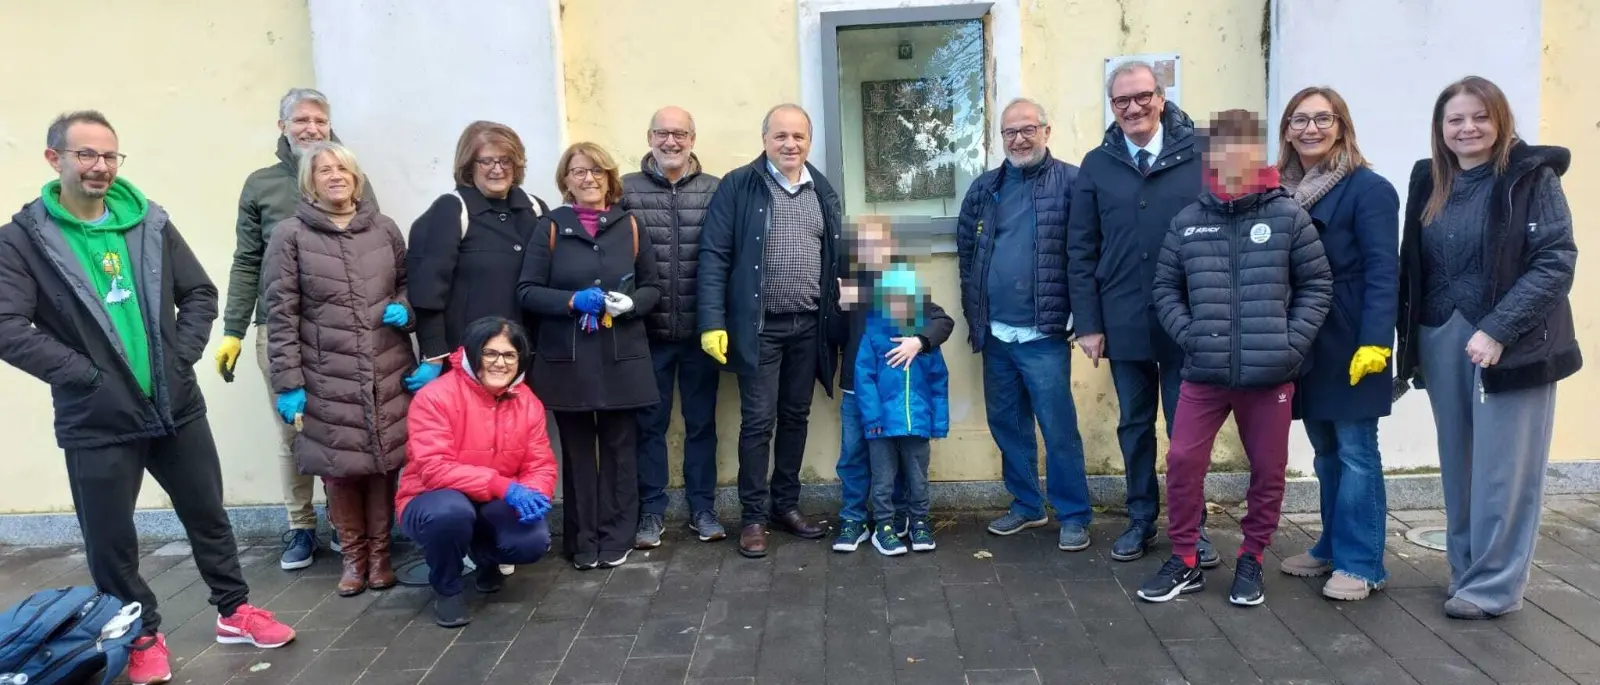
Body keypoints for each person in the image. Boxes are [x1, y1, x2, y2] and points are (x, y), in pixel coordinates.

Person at [0, 111, 295, 685]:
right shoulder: (21, 241)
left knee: (208, 515)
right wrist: (86, 377)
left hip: (174, 406)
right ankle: (139, 631)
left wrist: (178, 356)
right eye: (85, 155)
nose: (100, 166)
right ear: (53, 159)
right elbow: (7, 326)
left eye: (110, 155)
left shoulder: (149, 222)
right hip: (96, 417)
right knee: (110, 538)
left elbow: (200, 293)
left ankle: (234, 612)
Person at [1394, 76, 1580, 620]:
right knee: (1460, 464)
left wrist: (1498, 329)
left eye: (1480, 117)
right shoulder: (1430, 179)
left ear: (1500, 121)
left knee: (1506, 468)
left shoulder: (1531, 177)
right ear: (1440, 128)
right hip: (1440, 335)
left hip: (1513, 341)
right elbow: (1414, 265)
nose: (1467, 128)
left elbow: (1555, 261)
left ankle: (1495, 586)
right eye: (1455, 119)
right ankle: (1465, 571)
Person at [1136, 109, 1331, 608]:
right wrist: (1192, 336)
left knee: (1268, 468)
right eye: (1220, 149)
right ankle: (1184, 559)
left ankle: (1251, 556)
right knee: (1181, 463)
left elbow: (1316, 285)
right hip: (1204, 371)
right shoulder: (1189, 220)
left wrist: (1290, 345)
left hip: (1270, 374)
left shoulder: (1288, 216)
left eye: (1240, 147)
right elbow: (1165, 287)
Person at [215, 88, 378, 571]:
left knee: (347, 426)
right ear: (282, 126)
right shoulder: (262, 185)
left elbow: (372, 245)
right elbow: (247, 260)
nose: (311, 128)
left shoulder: (350, 176)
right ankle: (302, 526)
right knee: (294, 431)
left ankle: (355, 528)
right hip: (280, 327)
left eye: (319, 120)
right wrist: (234, 329)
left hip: (340, 329)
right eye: (301, 120)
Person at [1067, 61, 1219, 566]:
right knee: (1134, 426)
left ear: (1161, 97)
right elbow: (1081, 248)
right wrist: (1087, 324)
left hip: (1189, 321)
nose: (1132, 108)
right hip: (1123, 319)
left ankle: (1190, 528)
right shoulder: (1097, 163)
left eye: (1142, 97)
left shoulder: (1202, 153)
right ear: (1112, 107)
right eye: (1121, 101)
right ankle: (1140, 520)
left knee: (1186, 432)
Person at [265, 141, 415, 599]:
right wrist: (288, 382)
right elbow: (281, 313)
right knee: (340, 469)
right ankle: (353, 558)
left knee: (384, 464)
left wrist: (404, 310)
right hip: (327, 373)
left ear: (356, 177)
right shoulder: (290, 236)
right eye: (324, 170)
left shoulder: (384, 229)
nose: (334, 176)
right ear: (310, 181)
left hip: (384, 367)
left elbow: (408, 284)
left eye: (342, 169)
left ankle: (382, 556)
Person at [1272, 86, 1401, 602]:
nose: (1310, 129)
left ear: (1342, 126)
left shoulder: (1368, 189)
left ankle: (1363, 562)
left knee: (1355, 451)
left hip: (1350, 338)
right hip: (1305, 337)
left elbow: (1382, 272)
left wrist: (1375, 343)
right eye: (1299, 120)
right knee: (1325, 450)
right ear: (1286, 131)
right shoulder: (1279, 190)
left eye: (1322, 119)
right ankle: (1330, 544)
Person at [699, 103, 844, 558]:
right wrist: (712, 322)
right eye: (780, 136)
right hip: (758, 329)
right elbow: (714, 257)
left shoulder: (821, 189)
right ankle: (754, 517)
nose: (790, 144)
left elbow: (839, 259)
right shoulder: (739, 185)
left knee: (796, 418)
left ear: (809, 142)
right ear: (765, 140)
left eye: (798, 137)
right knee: (758, 422)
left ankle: (786, 505)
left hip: (808, 327)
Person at [954, 97, 1093, 551]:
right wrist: (977, 315)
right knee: (1007, 423)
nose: (1019, 139)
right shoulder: (985, 188)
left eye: (1028, 129)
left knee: (1057, 427)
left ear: (1047, 131)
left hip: (1044, 333)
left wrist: (1084, 316)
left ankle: (1073, 513)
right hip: (996, 333)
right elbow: (968, 255)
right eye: (1010, 132)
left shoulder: (1073, 183)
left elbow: (1090, 253)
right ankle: (1027, 505)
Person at [518, 142, 662, 570]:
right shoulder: (549, 226)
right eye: (579, 172)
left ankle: (617, 536)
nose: (589, 179)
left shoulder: (630, 225)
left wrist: (631, 303)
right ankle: (582, 541)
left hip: (622, 358)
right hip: (569, 361)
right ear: (565, 180)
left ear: (609, 178)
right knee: (578, 451)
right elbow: (527, 291)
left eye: (597, 171)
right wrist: (571, 301)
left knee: (621, 449)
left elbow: (653, 287)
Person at [397, 317, 557, 628]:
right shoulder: (436, 396)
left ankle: (486, 559)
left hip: (493, 498)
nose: (501, 363)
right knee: (451, 514)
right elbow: (433, 469)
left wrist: (536, 493)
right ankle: (448, 588)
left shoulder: (528, 402)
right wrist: (503, 486)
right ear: (472, 353)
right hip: (431, 498)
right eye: (490, 353)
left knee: (532, 540)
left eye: (510, 355)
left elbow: (540, 463)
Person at [620, 106, 724, 548]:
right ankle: (651, 513)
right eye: (662, 133)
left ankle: (703, 509)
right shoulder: (624, 190)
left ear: (693, 139)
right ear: (648, 137)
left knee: (702, 425)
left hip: (702, 334)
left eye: (680, 133)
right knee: (649, 426)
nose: (671, 142)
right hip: (647, 333)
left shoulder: (717, 190)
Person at [833, 216, 954, 553]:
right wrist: (837, 308)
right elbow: (830, 334)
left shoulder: (903, 285)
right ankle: (853, 518)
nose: (872, 250)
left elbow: (942, 320)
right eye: (864, 243)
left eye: (879, 242)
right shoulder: (847, 284)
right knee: (854, 456)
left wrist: (919, 341)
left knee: (900, 459)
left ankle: (896, 518)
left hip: (897, 394)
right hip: (856, 390)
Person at [853, 265, 950, 556]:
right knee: (883, 478)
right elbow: (864, 378)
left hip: (917, 422)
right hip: (881, 425)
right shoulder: (873, 336)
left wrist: (939, 422)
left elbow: (938, 381)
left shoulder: (925, 342)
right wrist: (872, 418)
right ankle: (884, 527)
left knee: (918, 476)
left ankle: (919, 521)